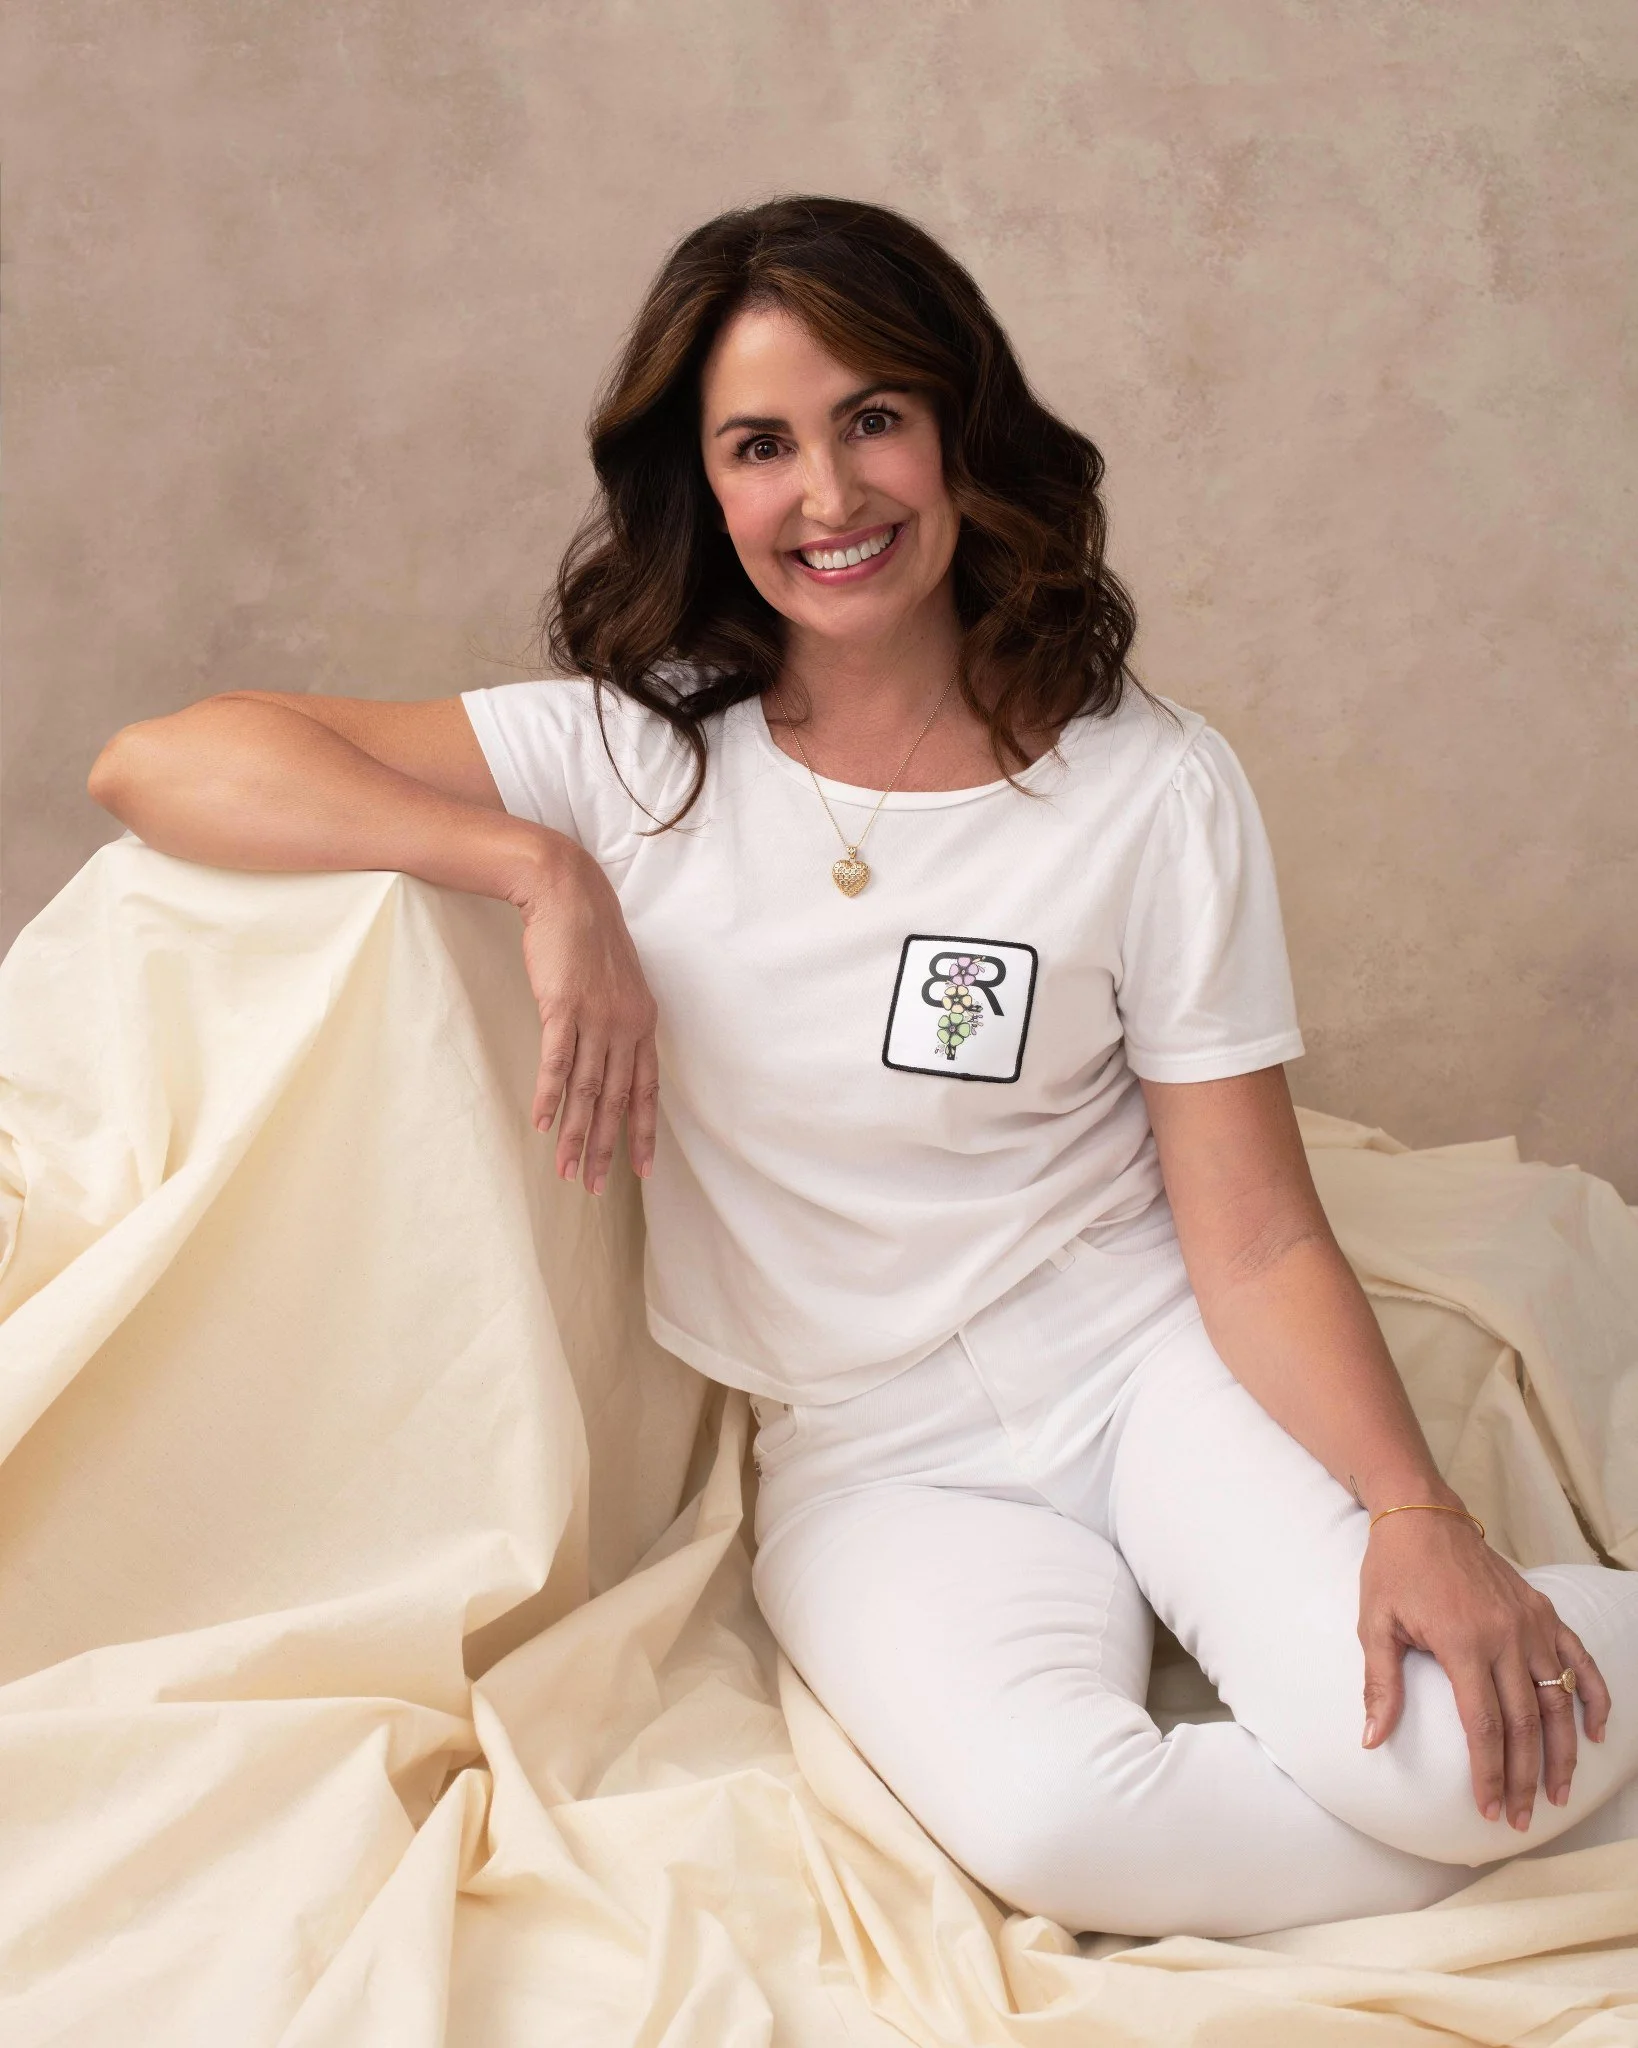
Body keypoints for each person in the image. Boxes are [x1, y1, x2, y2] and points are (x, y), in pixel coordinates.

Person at [86, 195, 1638, 1939]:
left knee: (1436, 1757)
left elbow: (1259, 1236)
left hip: (1144, 1365)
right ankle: (1547, 1801)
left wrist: (1410, 1510)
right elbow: (165, 761)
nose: (826, 497)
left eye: (871, 419)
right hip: (873, 1451)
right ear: (706, 484)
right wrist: (539, 870)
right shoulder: (625, 751)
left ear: (961, 430)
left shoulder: (1148, 784)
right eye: (761, 445)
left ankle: (1526, 1733)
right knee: (1064, 1835)